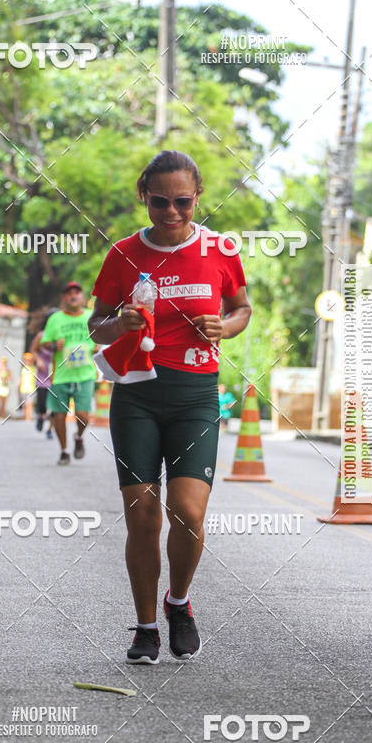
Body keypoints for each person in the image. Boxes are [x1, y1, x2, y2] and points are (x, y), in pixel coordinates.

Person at [89, 150, 250, 664]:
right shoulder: (122, 255)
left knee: (187, 512)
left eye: (183, 201)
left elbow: (242, 306)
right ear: (145, 197)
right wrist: (122, 325)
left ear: (198, 196)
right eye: (161, 202)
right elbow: (96, 324)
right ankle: (144, 627)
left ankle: (178, 602)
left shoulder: (220, 250)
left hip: (195, 395)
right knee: (142, 517)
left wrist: (227, 326)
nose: (173, 212)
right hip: (137, 393)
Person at [41, 282, 96, 465]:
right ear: (64, 298)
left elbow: (101, 339)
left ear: (83, 297)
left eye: (77, 292)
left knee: (83, 414)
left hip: (85, 374)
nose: (73, 295)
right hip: (61, 375)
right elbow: (45, 342)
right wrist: (54, 345)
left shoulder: (91, 317)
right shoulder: (55, 319)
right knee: (59, 415)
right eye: (69, 293)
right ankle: (64, 451)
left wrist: (98, 346)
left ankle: (78, 437)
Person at [30, 317, 56, 437]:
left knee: (56, 405)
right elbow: (33, 350)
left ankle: (50, 429)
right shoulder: (42, 335)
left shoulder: (61, 334)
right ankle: (41, 416)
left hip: (57, 374)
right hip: (43, 374)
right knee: (42, 403)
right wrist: (38, 360)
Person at [18, 352, 36, 421]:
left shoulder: (34, 369)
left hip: (31, 389)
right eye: (26, 360)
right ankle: (25, 416)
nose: (28, 362)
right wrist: (18, 387)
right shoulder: (23, 369)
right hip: (23, 389)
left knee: (30, 403)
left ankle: (29, 417)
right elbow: (21, 379)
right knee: (24, 404)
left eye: (29, 360)